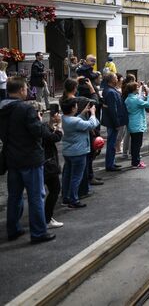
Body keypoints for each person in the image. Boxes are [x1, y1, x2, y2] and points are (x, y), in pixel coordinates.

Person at [0, 77, 55, 243]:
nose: (27, 92)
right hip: (30, 158)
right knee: (36, 196)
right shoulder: (25, 109)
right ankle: (38, 232)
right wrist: (45, 125)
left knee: (14, 196)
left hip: (11, 157)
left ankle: (13, 229)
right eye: (25, 89)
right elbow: (37, 131)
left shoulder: (2, 108)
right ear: (21, 90)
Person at [61, 98, 99, 208]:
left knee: (67, 176)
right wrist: (92, 113)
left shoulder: (64, 118)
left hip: (68, 151)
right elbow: (91, 124)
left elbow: (76, 121)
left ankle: (66, 197)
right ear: (73, 108)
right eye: (76, 106)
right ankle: (74, 199)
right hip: (78, 152)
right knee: (76, 177)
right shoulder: (75, 121)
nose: (77, 107)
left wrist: (82, 114)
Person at [40, 104, 64, 229]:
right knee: (54, 189)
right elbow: (53, 137)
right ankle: (46, 219)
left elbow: (47, 132)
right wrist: (59, 125)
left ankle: (44, 219)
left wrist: (51, 122)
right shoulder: (37, 126)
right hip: (47, 163)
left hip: (42, 163)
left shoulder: (38, 126)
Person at [101, 73, 127, 171]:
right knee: (111, 144)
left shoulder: (110, 90)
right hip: (112, 123)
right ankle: (110, 165)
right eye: (116, 78)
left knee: (112, 143)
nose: (117, 79)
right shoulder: (111, 92)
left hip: (112, 122)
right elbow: (113, 110)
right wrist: (116, 124)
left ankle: (112, 162)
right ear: (111, 80)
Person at [125, 82, 149, 168]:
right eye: (137, 87)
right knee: (137, 144)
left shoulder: (128, 99)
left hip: (131, 123)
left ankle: (134, 162)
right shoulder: (136, 100)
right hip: (137, 124)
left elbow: (139, 99)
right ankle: (136, 162)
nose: (138, 88)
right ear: (134, 89)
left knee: (134, 144)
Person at [120, 74, 136, 159]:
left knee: (127, 134)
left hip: (126, 113)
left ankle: (125, 153)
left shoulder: (124, 90)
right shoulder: (129, 94)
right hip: (130, 114)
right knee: (130, 134)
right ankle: (129, 152)